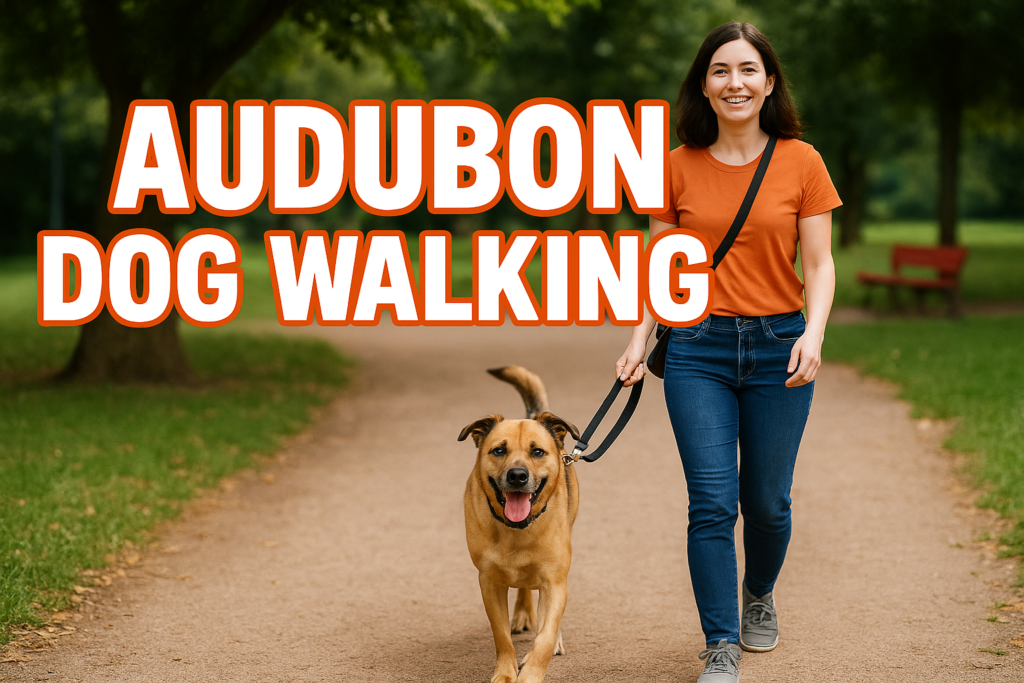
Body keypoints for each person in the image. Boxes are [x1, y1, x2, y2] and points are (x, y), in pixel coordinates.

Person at [614, 21, 842, 683]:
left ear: (769, 82)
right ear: (704, 86)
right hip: (698, 350)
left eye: (747, 70)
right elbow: (661, 268)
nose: (734, 82)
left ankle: (759, 592)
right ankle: (721, 641)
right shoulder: (676, 165)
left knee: (767, 502)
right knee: (712, 502)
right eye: (720, 70)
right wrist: (637, 340)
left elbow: (821, 264)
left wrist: (814, 331)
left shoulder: (803, 161)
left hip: (779, 346)